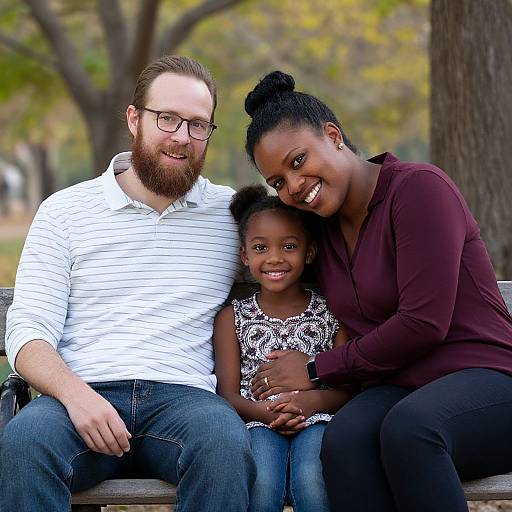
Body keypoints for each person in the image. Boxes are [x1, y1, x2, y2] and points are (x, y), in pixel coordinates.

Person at [242, 71, 512, 512]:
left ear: (333, 136)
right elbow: (261, 234)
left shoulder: (419, 189)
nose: (293, 187)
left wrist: (314, 369)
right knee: (345, 439)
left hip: (489, 380)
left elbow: (423, 324)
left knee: (411, 429)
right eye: (278, 182)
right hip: (400, 387)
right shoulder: (321, 233)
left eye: (297, 162)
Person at [0, 56, 255, 512]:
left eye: (198, 125)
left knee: (223, 444)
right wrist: (77, 397)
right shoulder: (64, 212)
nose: (182, 137)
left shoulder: (233, 215)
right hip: (79, 395)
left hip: (187, 403)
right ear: (134, 119)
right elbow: (28, 331)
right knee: (23, 443)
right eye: (168, 118)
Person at [214, 184, 353, 512]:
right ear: (245, 254)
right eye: (260, 247)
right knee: (261, 481)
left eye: (289, 246)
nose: (274, 258)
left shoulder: (332, 312)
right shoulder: (233, 317)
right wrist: (265, 412)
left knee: (311, 477)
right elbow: (228, 394)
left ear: (309, 251)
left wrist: (312, 401)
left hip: (317, 419)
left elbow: (349, 387)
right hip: (258, 421)